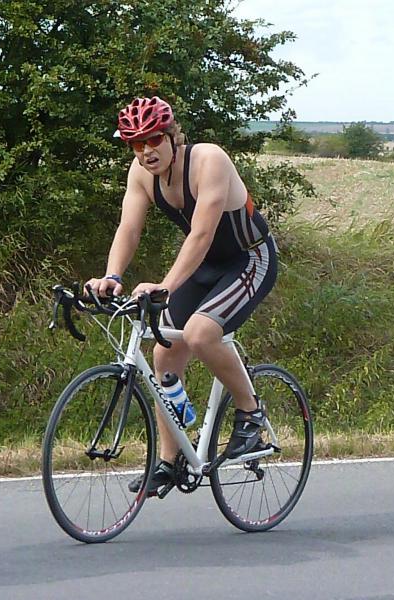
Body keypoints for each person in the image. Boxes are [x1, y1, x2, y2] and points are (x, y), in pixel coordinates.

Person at [86, 96, 277, 494]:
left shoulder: (209, 160)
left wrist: (165, 286)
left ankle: (251, 412)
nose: (146, 151)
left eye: (154, 139)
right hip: (205, 266)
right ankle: (170, 461)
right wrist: (112, 275)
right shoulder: (141, 174)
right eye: (136, 144)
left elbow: (202, 234)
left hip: (248, 259)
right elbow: (129, 229)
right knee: (164, 353)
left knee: (200, 334)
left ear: (172, 136)